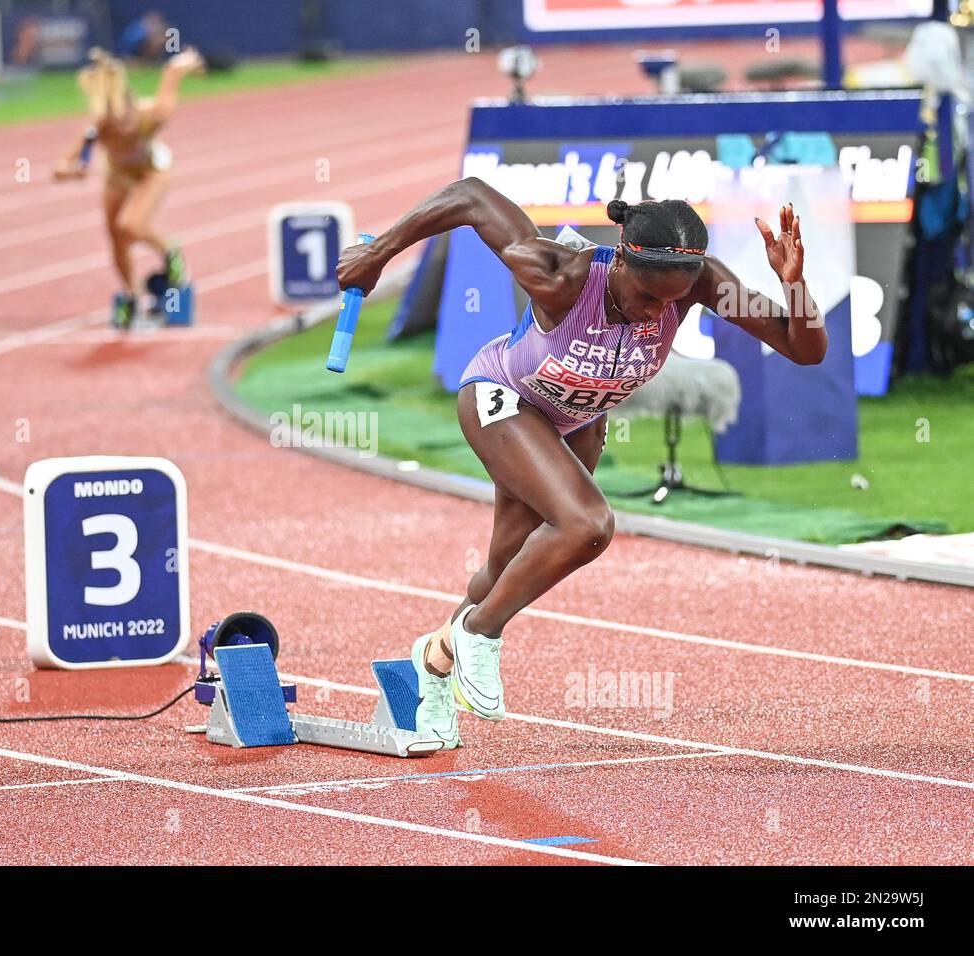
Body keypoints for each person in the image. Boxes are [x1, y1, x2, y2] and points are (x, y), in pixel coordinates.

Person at [336, 179, 824, 748]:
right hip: (505, 398)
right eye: (647, 297)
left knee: (502, 573)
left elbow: (804, 349)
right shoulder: (562, 275)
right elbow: (470, 197)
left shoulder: (703, 283)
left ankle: (433, 668)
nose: (656, 312)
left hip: (576, 422)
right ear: (621, 259)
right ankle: (481, 633)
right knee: (588, 524)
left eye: (673, 302)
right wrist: (379, 252)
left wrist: (794, 286)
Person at [53, 46, 204, 327]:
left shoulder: (154, 115)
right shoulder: (97, 129)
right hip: (118, 177)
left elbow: (172, 73)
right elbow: (59, 169)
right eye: (115, 121)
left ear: (132, 104)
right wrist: (72, 171)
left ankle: (170, 250)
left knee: (132, 225)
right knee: (116, 237)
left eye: (125, 119)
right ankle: (130, 294)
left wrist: (186, 62)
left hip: (152, 171)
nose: (122, 127)